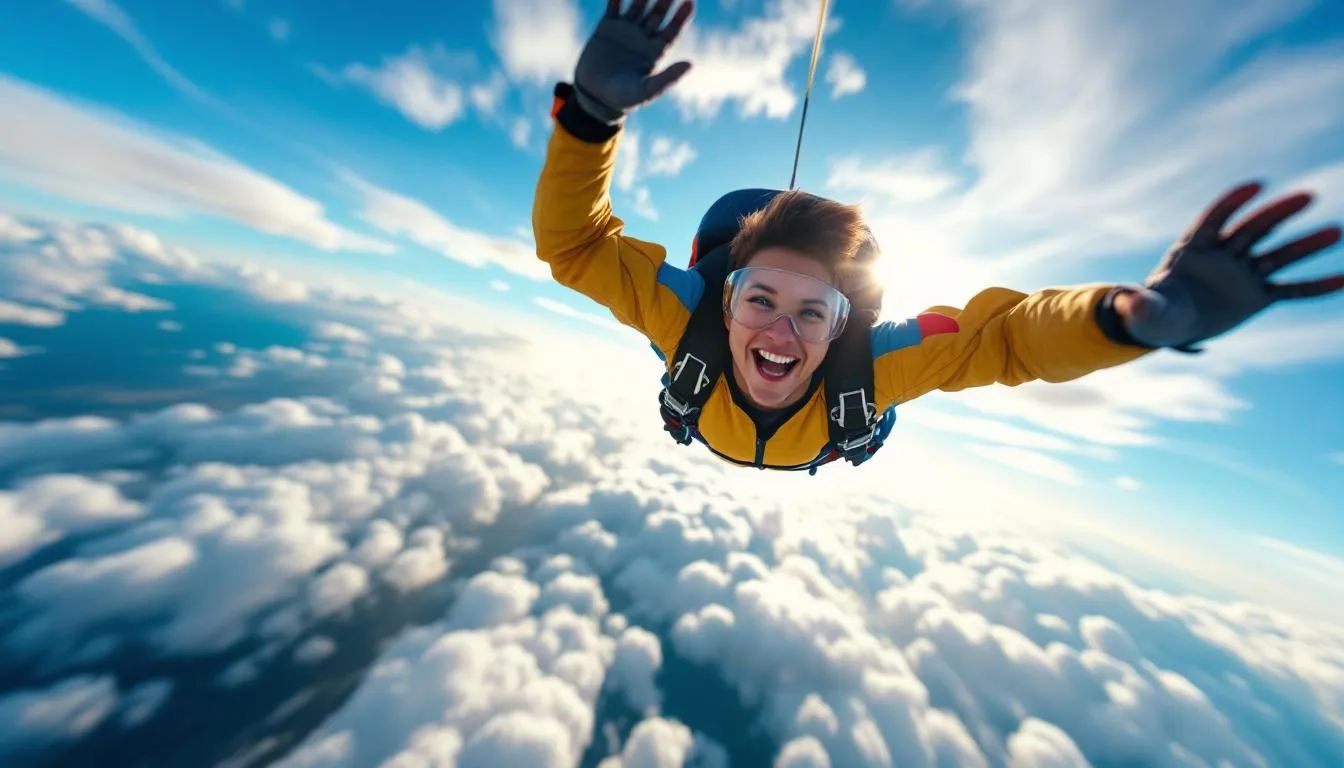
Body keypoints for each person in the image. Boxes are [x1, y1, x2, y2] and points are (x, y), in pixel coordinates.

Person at [532, 0, 1344, 472]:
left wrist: (1113, 320)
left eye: (815, 312)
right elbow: (577, 248)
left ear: (844, 323)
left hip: (824, 424)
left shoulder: (873, 366)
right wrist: (589, 121)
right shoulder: (684, 317)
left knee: (873, 403)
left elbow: (1006, 339)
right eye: (760, 300)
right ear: (724, 297)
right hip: (747, 418)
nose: (780, 333)